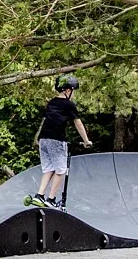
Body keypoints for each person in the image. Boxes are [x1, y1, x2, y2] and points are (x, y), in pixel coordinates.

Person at [26, 75, 92, 211]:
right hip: (56, 140)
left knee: (49, 168)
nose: (73, 95)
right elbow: (77, 123)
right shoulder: (69, 105)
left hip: (43, 140)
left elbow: (46, 120)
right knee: (61, 170)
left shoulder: (51, 102)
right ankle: (51, 199)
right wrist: (86, 141)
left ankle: (39, 195)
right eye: (73, 91)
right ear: (68, 90)